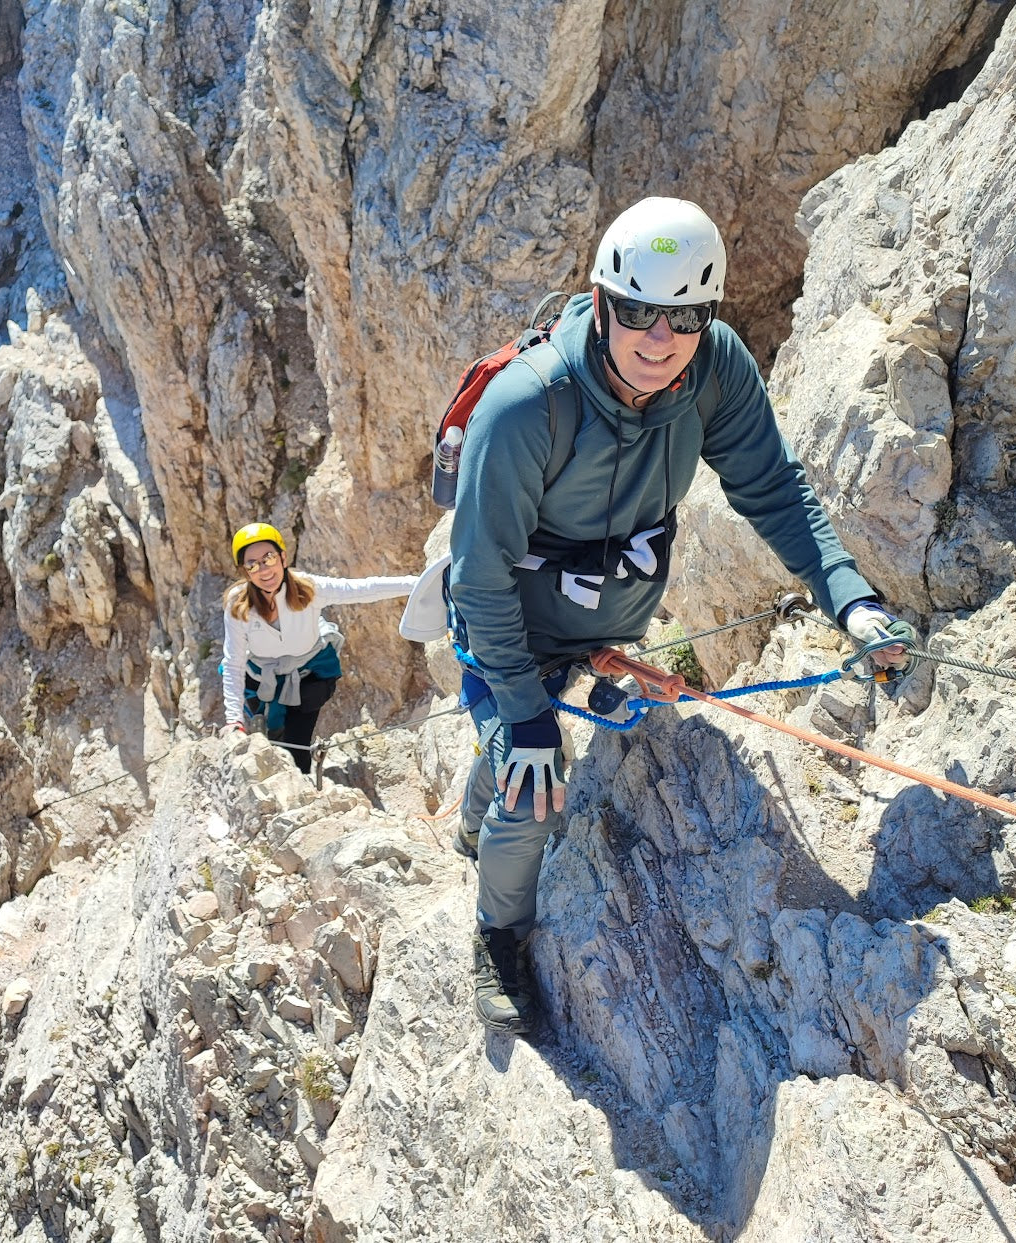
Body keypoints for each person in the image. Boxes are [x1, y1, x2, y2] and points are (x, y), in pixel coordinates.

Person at [447, 197, 915, 1034]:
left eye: (685, 315)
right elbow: (480, 578)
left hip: (601, 622)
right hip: (506, 627)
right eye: (636, 312)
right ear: (599, 303)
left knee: (520, 753)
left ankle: (481, 793)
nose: (659, 339)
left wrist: (850, 596)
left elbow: (772, 487)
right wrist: (521, 715)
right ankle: (498, 934)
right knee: (531, 783)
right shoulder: (526, 406)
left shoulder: (713, 370)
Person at [220, 522, 418, 773]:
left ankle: (293, 772)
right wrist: (234, 720)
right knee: (273, 739)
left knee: (296, 750)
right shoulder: (239, 606)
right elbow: (234, 662)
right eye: (252, 564)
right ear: (245, 571)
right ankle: (269, 730)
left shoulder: (307, 588)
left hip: (308, 677)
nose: (263, 568)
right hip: (262, 678)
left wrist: (417, 583)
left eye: (268, 557)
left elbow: (362, 589)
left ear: (282, 557)